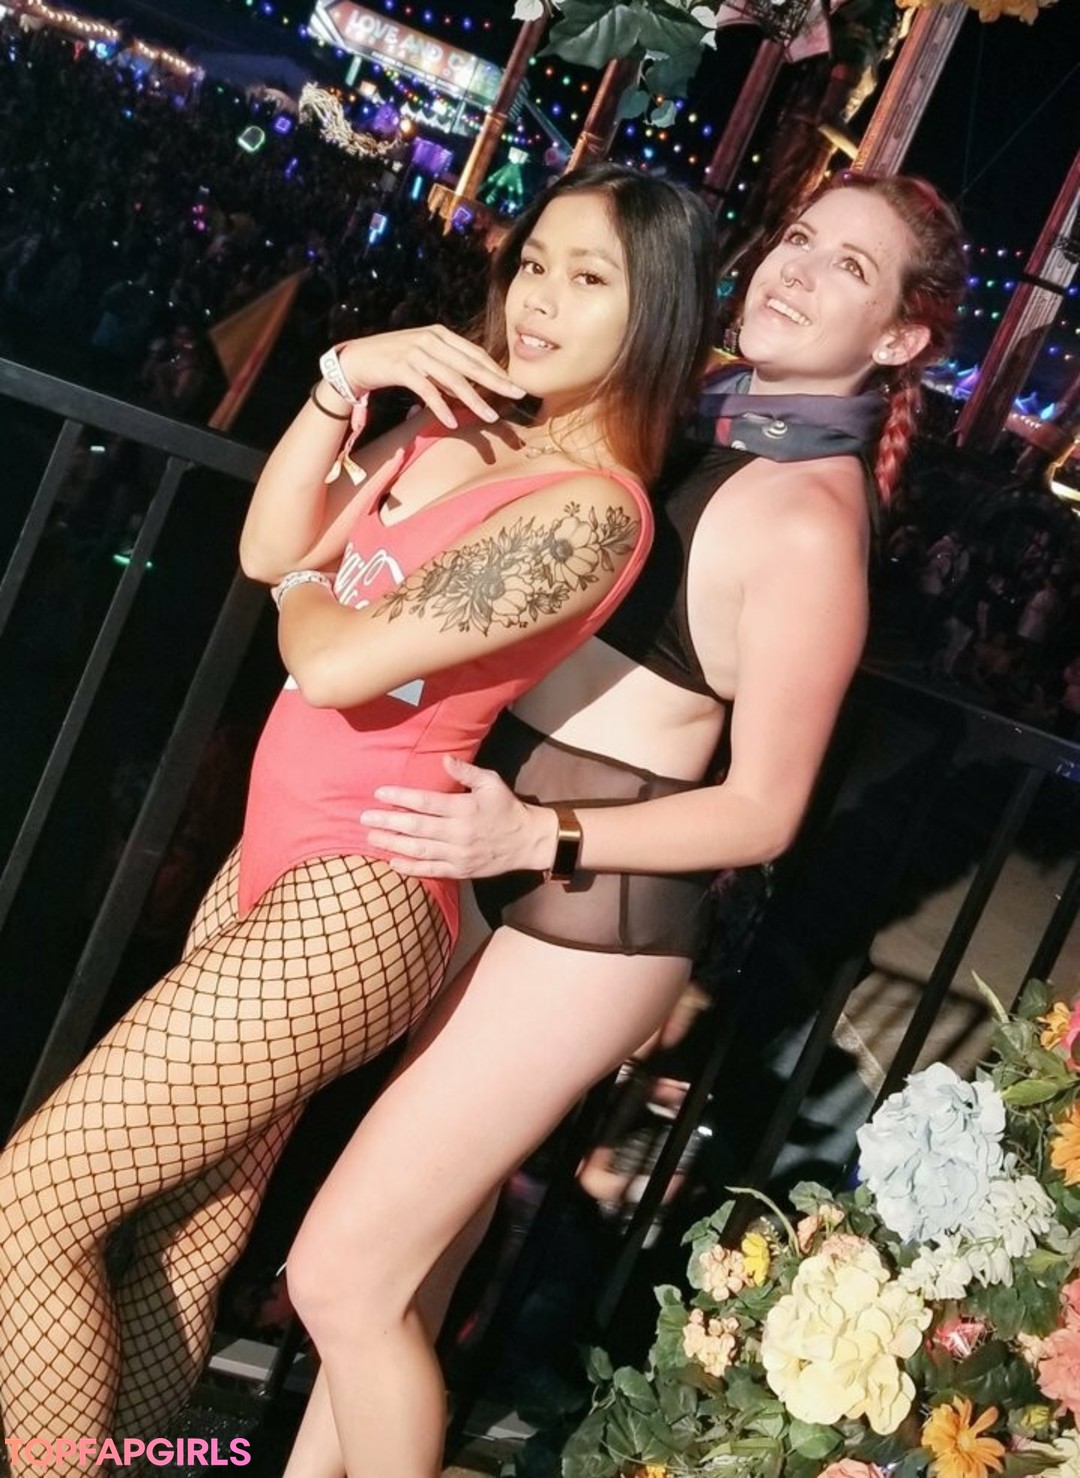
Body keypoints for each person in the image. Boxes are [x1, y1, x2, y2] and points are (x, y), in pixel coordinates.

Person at [0, 164, 719, 1458]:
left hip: (361, 890)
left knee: (33, 1200)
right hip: (273, 852)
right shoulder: (461, 425)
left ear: (655, 311)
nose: (538, 298)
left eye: (588, 278)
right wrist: (341, 382)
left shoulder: (590, 511)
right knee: (190, 1233)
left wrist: (312, 597)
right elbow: (269, 546)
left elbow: (328, 656)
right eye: (534, 262)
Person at [276, 172, 967, 1478]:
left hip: (584, 905)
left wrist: (539, 838)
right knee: (409, 1261)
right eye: (800, 238)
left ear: (899, 339)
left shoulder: (811, 519)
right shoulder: (688, 415)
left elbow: (765, 809)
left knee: (339, 1274)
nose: (797, 271)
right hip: (490, 843)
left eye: (850, 269)